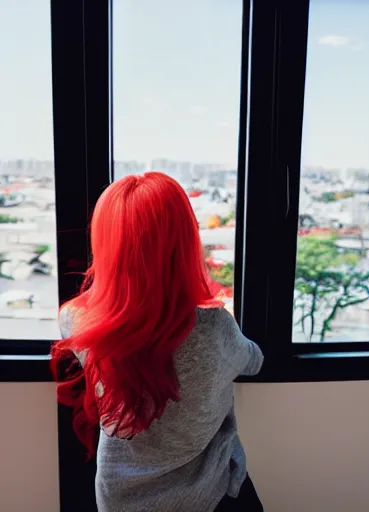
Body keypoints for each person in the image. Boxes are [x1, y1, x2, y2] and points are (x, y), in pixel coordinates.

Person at [51, 172, 264, 512]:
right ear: (184, 239)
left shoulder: (75, 320)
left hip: (120, 499)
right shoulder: (212, 327)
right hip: (206, 496)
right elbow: (254, 360)